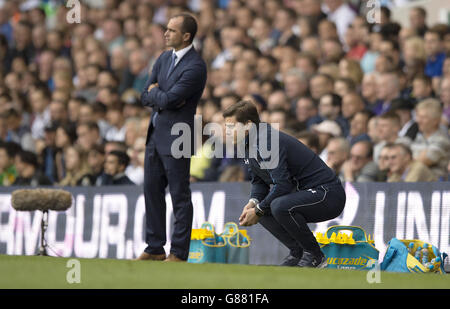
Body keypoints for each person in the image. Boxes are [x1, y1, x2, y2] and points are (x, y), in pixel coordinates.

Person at [227, 101, 346, 268]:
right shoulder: (248, 144)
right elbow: (259, 180)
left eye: (231, 126)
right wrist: (253, 202)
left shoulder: (267, 141)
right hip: (306, 193)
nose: (227, 132)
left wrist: (259, 209)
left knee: (276, 206)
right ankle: (298, 252)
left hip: (327, 194)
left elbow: (282, 185)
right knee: (264, 210)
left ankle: (314, 255)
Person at [138, 13, 207, 262]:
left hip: (179, 136)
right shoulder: (164, 57)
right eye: (166, 29)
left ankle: (178, 252)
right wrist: (158, 94)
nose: (165, 34)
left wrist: (157, 93)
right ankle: (155, 247)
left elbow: (168, 99)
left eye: (171, 30)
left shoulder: (196, 66)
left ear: (186, 36)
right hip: (155, 134)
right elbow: (144, 94)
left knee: (179, 194)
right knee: (152, 191)